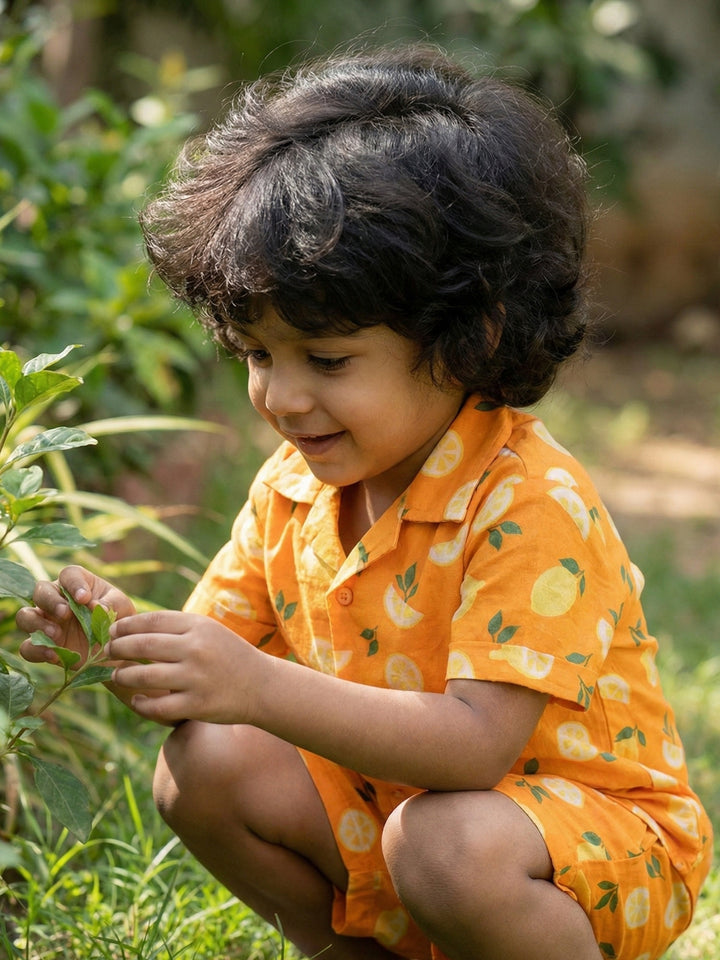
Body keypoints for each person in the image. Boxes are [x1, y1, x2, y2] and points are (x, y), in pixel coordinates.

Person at [17, 43, 712, 960]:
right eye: (259, 355)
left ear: (469, 337)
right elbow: (221, 660)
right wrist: (123, 644)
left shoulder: (528, 501)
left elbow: (472, 752)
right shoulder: (295, 488)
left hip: (581, 851)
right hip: (390, 815)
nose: (282, 398)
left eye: (328, 360)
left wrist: (256, 684)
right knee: (206, 763)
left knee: (445, 841)